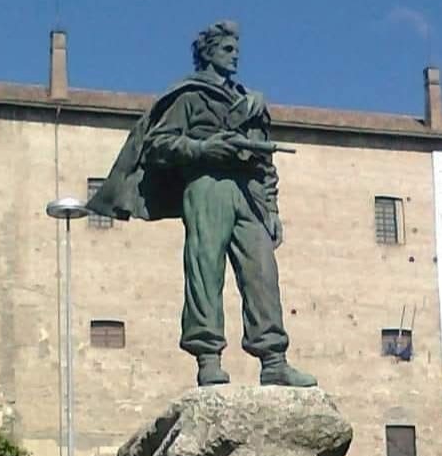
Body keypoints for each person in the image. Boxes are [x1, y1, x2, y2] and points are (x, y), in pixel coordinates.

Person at [88, 20, 316, 389]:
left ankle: (274, 359)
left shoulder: (250, 101)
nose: (235, 55)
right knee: (204, 271)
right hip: (206, 184)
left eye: (237, 50)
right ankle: (208, 358)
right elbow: (158, 144)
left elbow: (264, 161)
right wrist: (203, 148)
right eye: (227, 49)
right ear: (208, 53)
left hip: (247, 191)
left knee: (262, 275)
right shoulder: (188, 96)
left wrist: (271, 208)